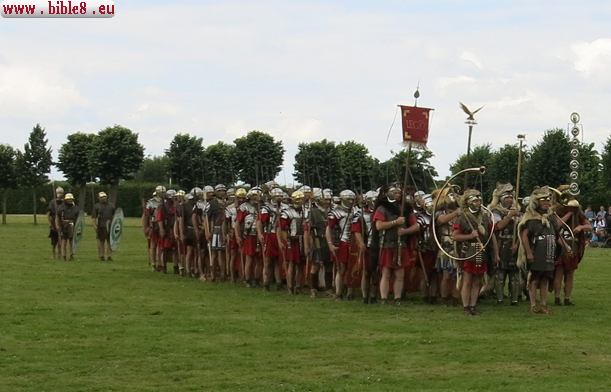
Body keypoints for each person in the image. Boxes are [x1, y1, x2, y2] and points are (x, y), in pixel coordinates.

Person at [453, 189, 499, 316]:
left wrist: (496, 253)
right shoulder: (462, 218)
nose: (479, 203)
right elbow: (455, 236)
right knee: (467, 280)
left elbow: (491, 235)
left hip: (482, 251)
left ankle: (473, 305)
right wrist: (470, 236)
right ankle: (466, 306)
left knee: (477, 281)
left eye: (480, 200)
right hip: (468, 251)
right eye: (476, 201)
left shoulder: (485, 217)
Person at [518, 187, 563, 314]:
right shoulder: (530, 217)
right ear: (537, 202)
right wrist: (528, 252)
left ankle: (543, 305)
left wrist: (565, 246)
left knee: (545, 279)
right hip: (536, 250)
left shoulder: (551, 217)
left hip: (549, 251)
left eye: (548, 200)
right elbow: (525, 235)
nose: (546, 203)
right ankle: (533, 305)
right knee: (534, 279)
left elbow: (556, 234)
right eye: (543, 201)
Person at [373, 185, 419, 306]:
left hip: (401, 244)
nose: (398, 195)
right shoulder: (382, 208)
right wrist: (395, 222)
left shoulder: (406, 208)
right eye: (396, 193)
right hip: (387, 243)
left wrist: (406, 231)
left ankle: (397, 298)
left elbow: (416, 226)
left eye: (400, 193)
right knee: (386, 272)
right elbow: (379, 226)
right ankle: (384, 298)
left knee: (400, 273)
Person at [552, 186, 590, 306]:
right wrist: (569, 213)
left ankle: (567, 298)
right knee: (559, 272)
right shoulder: (556, 210)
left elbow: (588, 226)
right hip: (560, 244)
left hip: (573, 245)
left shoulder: (578, 211)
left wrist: (580, 227)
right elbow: (557, 224)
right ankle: (557, 298)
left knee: (570, 273)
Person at [489, 183, 520, 305]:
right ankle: (500, 299)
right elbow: (498, 226)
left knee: (514, 275)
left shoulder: (517, 212)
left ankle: (515, 299)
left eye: (511, 197)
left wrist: (517, 244)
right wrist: (509, 216)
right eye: (506, 197)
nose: (509, 200)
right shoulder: (495, 211)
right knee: (500, 274)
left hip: (514, 245)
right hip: (501, 244)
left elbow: (521, 230)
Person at [326, 189, 359, 300]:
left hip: (355, 243)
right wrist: (330, 244)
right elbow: (329, 229)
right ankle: (338, 293)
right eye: (348, 199)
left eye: (352, 199)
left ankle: (350, 291)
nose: (351, 201)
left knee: (353, 267)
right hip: (342, 242)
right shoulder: (335, 212)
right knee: (341, 268)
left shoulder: (357, 211)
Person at [432, 185, 461, 306]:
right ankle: (444, 298)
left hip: (458, 244)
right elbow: (442, 220)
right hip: (446, 244)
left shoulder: (460, 210)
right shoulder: (439, 211)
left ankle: (455, 297)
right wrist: (457, 212)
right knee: (446, 275)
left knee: (457, 274)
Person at [304, 188, 334, 298]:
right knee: (315, 265)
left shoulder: (332, 211)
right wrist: (307, 246)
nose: (328, 201)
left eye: (329, 199)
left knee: (329, 266)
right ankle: (313, 289)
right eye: (326, 199)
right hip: (317, 240)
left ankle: (329, 289)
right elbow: (307, 230)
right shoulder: (314, 212)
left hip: (329, 241)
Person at [278, 191, 306, 294]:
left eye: (302, 199)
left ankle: (298, 286)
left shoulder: (305, 211)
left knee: (300, 265)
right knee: (292, 264)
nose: (302, 201)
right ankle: (290, 286)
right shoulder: (287, 212)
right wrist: (284, 240)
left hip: (302, 240)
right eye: (300, 199)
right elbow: (281, 228)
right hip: (292, 241)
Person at [257, 187, 285, 291]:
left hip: (280, 235)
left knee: (278, 261)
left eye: (281, 196)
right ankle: (266, 283)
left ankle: (278, 283)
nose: (280, 198)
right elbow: (259, 221)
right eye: (278, 195)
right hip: (269, 235)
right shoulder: (267, 208)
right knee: (268, 261)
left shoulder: (285, 208)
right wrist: (260, 233)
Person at [413, 192, 439, 303]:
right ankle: (425, 297)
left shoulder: (437, 216)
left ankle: (433, 297)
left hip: (437, 248)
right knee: (426, 275)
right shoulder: (420, 217)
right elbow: (416, 230)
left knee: (436, 275)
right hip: (425, 248)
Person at [352, 190, 377, 304]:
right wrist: (361, 243)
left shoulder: (381, 213)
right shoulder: (360, 214)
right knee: (366, 272)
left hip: (378, 245)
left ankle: (373, 296)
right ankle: (364, 296)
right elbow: (356, 231)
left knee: (376, 272)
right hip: (366, 245)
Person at [235, 187, 263, 288]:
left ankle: (256, 279)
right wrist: (237, 235)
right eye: (255, 195)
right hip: (249, 235)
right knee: (249, 258)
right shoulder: (244, 207)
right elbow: (237, 223)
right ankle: (247, 280)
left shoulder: (262, 207)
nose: (257, 197)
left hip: (260, 235)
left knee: (260, 259)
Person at [92, 191, 116, 261]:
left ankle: (109, 256)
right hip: (101, 225)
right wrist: (94, 225)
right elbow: (94, 216)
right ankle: (102, 256)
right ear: (99, 198)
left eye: (104, 197)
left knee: (109, 241)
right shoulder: (96, 206)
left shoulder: (111, 205)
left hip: (110, 224)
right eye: (102, 197)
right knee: (102, 241)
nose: (103, 198)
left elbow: (115, 216)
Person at [56, 193, 80, 261]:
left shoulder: (76, 208)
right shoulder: (61, 208)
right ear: (65, 200)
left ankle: (71, 255)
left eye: (71, 199)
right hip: (64, 226)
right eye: (68, 199)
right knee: (64, 241)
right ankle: (64, 255)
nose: (70, 200)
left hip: (73, 225)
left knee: (71, 241)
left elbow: (79, 219)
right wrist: (57, 225)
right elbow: (58, 217)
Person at [47, 187, 65, 259]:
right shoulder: (52, 202)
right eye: (58, 193)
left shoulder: (64, 202)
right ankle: (53, 254)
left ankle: (60, 254)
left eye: (61, 193)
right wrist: (50, 224)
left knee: (61, 239)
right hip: (54, 223)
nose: (59, 194)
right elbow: (49, 214)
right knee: (54, 240)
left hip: (62, 223)